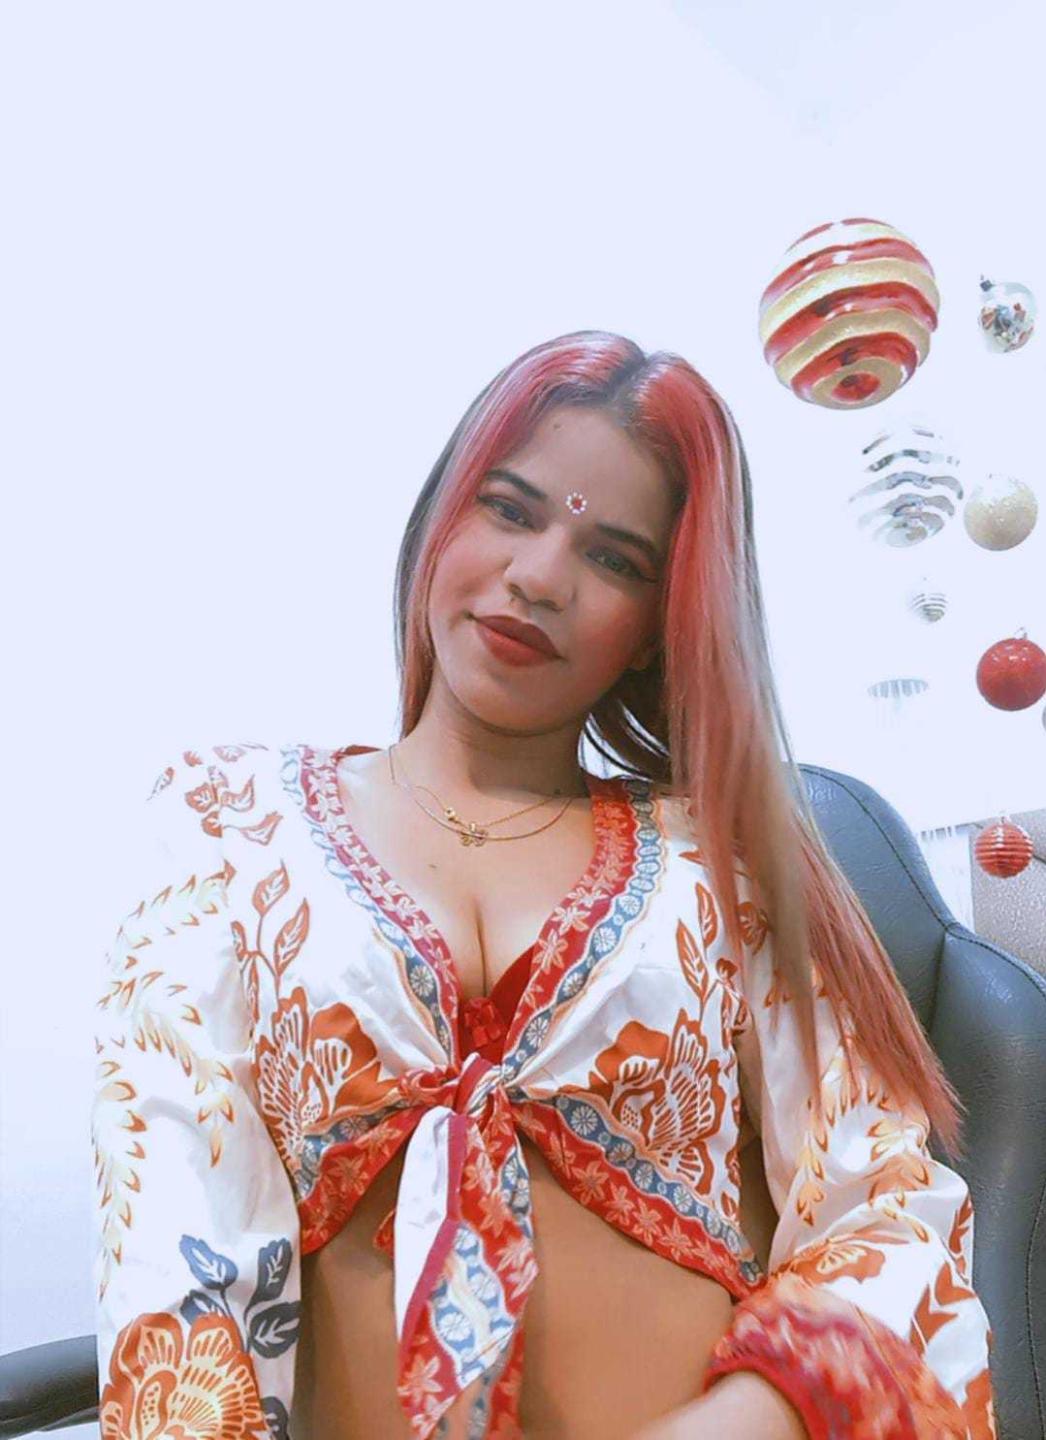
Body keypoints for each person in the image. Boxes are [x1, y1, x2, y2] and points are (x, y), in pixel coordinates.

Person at [89, 330, 997, 1439]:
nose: (539, 578)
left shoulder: (724, 859)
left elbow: (886, 1205)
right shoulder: (226, 822)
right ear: (440, 518)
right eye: (509, 510)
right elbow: (172, 1245)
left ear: (659, 628)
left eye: (615, 559)